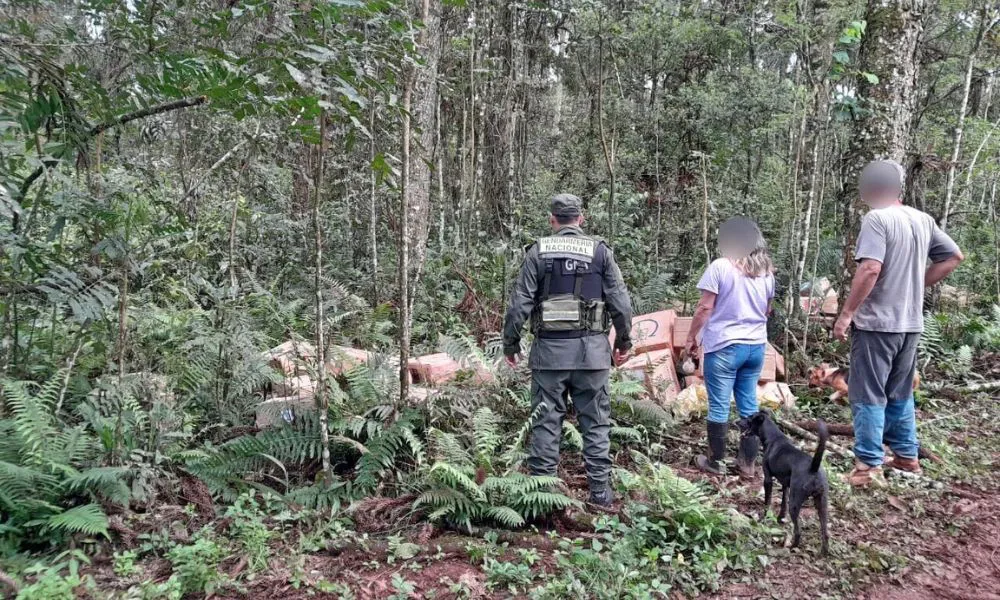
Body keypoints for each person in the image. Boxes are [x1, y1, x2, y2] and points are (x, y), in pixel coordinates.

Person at [833, 160, 963, 487]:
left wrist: (846, 314)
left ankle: (868, 467)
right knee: (900, 392)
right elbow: (953, 257)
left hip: (878, 324)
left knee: (867, 393)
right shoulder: (922, 219)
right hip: (910, 325)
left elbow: (870, 269)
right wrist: (914, 284)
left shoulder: (877, 219)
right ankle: (906, 457)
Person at [502, 193, 634, 506]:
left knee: (546, 422)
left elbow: (519, 302)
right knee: (596, 423)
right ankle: (600, 493)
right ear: (581, 218)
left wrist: (510, 342)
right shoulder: (600, 252)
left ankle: (543, 496)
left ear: (552, 220)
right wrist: (623, 341)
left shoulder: (538, 252)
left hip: (550, 355)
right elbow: (621, 302)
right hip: (592, 355)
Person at [685, 217, 775, 477]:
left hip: (724, 345)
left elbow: (704, 307)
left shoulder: (721, 267)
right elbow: (767, 310)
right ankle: (747, 465)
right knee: (748, 404)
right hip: (755, 346)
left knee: (719, 405)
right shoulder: (766, 272)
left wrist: (691, 338)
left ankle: (716, 463)